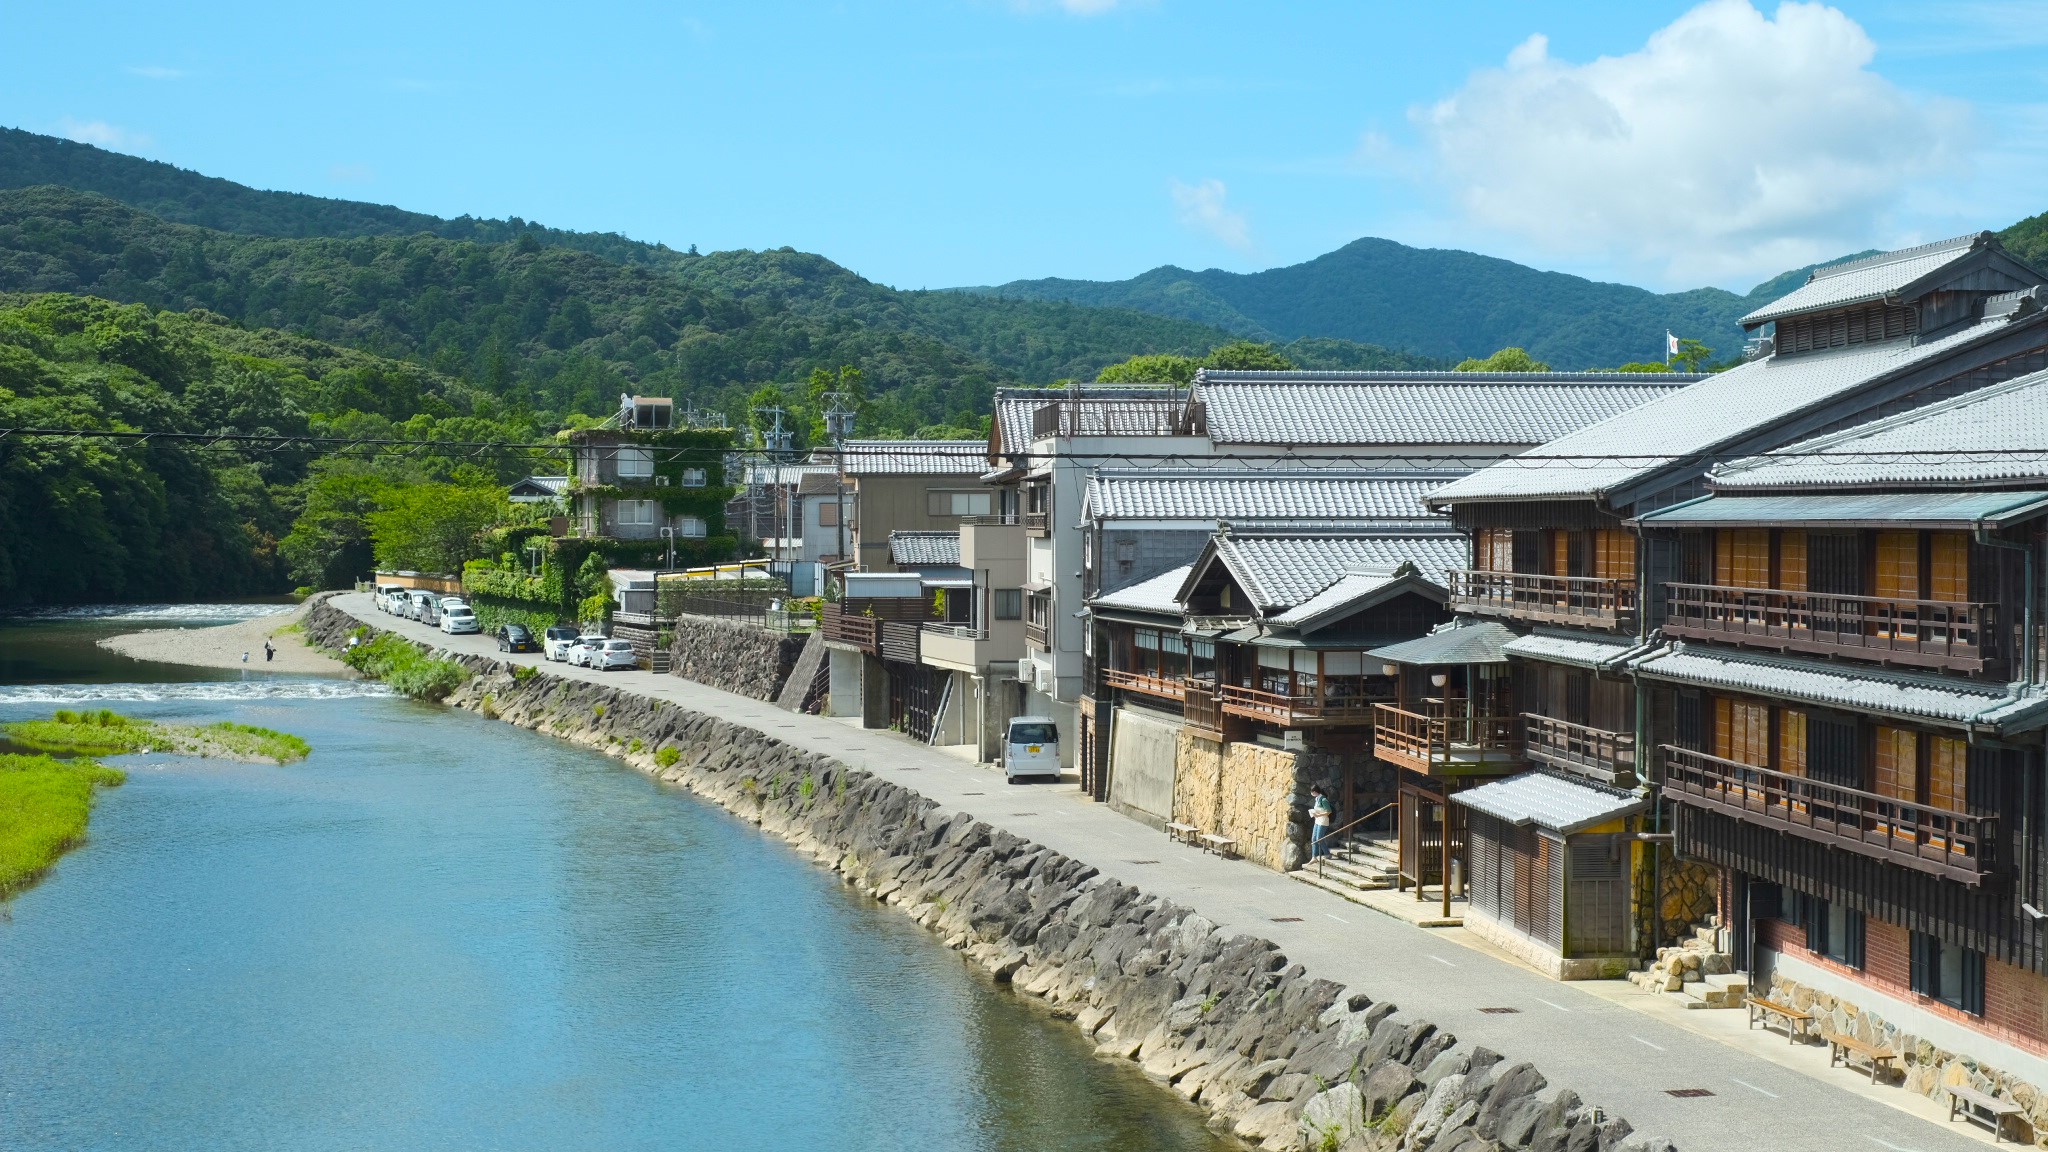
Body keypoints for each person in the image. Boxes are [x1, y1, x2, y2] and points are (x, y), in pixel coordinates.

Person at [1309, 786, 1334, 859]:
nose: (1311, 793)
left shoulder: (1323, 799)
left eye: (1312, 791)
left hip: (1323, 821)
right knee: (1314, 839)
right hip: (1317, 821)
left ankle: (1327, 853)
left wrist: (1318, 814)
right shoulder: (1317, 799)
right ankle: (1314, 857)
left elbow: (1329, 811)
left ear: (1315, 792)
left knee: (1319, 838)